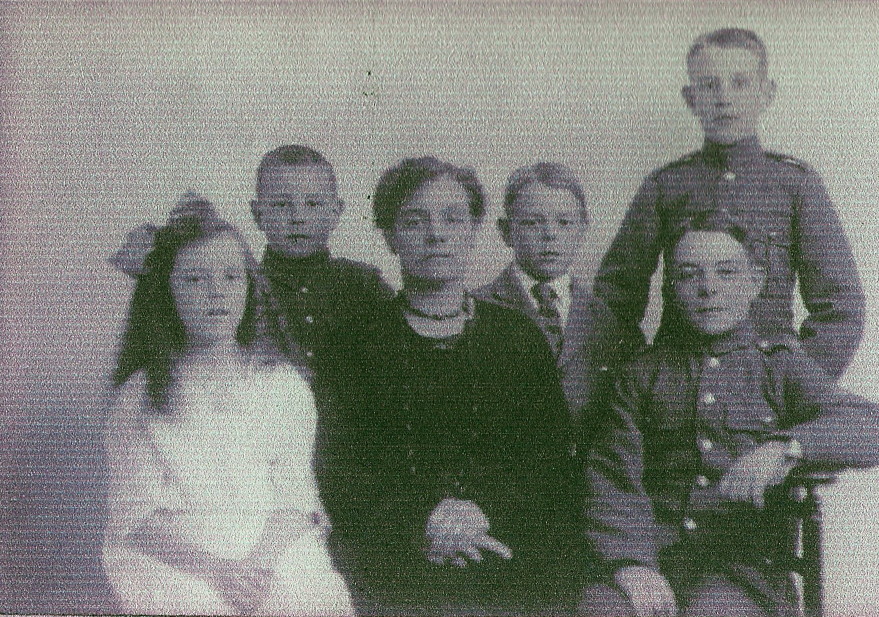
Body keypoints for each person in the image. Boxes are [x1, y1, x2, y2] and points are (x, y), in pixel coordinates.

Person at [583, 211, 879, 617]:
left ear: (756, 281)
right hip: (653, 556)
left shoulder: (778, 364)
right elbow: (613, 476)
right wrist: (629, 563)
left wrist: (785, 448)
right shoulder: (642, 373)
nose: (707, 289)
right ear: (672, 287)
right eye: (689, 274)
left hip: (744, 569)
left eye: (726, 273)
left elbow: (874, 428)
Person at [325, 156, 587, 615]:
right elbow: (342, 471)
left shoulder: (517, 337)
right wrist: (423, 523)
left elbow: (550, 465)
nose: (436, 234)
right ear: (388, 235)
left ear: (474, 230)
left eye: (452, 218)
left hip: (509, 547)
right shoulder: (354, 343)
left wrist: (483, 514)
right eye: (414, 220)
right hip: (401, 556)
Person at [101, 194, 354, 616]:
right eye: (194, 280)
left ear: (250, 288)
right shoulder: (141, 396)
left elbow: (296, 497)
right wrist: (216, 570)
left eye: (231, 277)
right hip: (180, 554)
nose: (215, 293)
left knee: (307, 594)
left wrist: (257, 563)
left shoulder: (283, 385)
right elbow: (136, 516)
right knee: (197, 602)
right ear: (167, 291)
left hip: (271, 547)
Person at [593, 28, 865, 380]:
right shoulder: (666, 186)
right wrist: (646, 381)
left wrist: (793, 384)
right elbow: (613, 299)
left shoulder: (795, 185)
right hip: (678, 392)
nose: (724, 98)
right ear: (690, 98)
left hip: (766, 398)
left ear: (766, 94)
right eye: (709, 85)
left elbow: (841, 306)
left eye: (740, 83)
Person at [473, 162, 628, 453]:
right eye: (532, 222)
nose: (550, 235)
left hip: (586, 485)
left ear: (583, 229)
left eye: (564, 222)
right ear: (506, 231)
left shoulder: (605, 320)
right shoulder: (476, 310)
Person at [250, 144, 394, 369]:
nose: (297, 217)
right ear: (258, 214)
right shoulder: (243, 290)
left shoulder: (364, 286)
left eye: (313, 204)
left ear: (335, 212)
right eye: (281, 204)